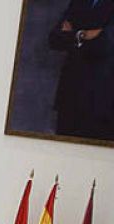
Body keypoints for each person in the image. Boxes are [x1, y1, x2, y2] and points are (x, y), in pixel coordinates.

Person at [47, 6, 114, 141]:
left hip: (103, 100)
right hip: (69, 96)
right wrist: (83, 35)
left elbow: (105, 44)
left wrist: (73, 34)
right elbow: (54, 39)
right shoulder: (79, 1)